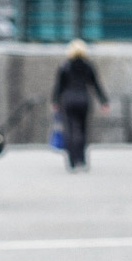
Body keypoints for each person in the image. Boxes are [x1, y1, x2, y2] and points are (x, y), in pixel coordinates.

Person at [52, 39, 109, 171]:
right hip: (83, 99)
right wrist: (104, 101)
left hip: (68, 99)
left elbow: (59, 87)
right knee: (82, 130)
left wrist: (55, 102)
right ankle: (81, 160)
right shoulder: (89, 65)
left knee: (69, 130)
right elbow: (95, 85)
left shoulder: (65, 66)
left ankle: (72, 161)